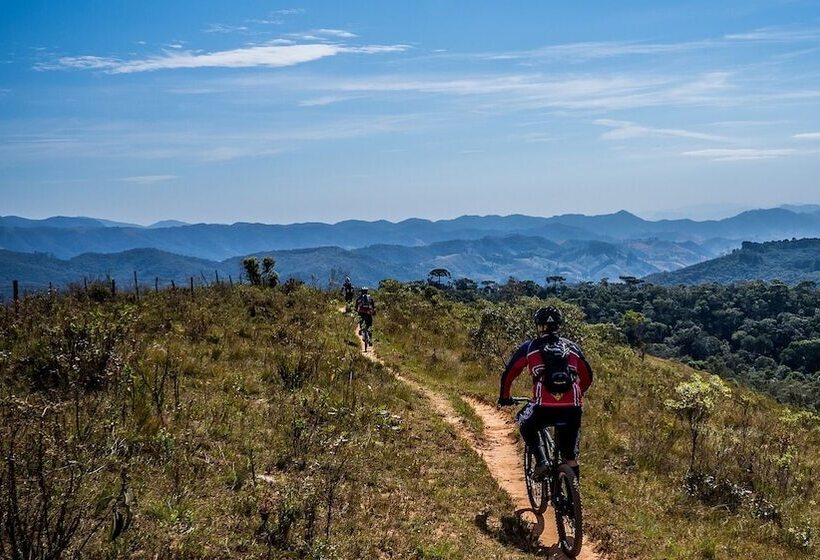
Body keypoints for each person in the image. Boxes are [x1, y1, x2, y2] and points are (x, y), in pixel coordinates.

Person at [497, 306, 593, 481]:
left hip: (543, 407)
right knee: (570, 456)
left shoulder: (529, 347)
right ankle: (573, 498)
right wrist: (579, 393)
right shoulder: (572, 347)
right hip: (572, 408)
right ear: (559, 325)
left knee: (523, 421)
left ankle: (542, 462)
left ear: (538, 326)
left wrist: (505, 397)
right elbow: (587, 376)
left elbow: (510, 373)